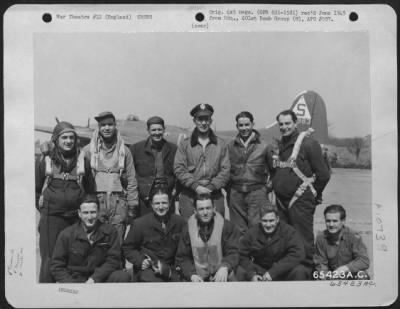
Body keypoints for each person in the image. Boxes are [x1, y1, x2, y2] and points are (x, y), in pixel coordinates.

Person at [35, 121, 94, 283]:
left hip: (76, 219)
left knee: (75, 258)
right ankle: (46, 298)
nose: (68, 141)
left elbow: (90, 191)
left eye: (71, 138)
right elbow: (36, 189)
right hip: (52, 218)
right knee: (50, 260)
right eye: (64, 138)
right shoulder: (45, 161)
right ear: (55, 140)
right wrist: (47, 209)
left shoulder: (83, 161)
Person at [272, 109, 330, 267]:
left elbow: (324, 174)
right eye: (281, 124)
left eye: (288, 123)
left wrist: (312, 193)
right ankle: (290, 272)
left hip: (300, 200)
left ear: (295, 123)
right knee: (285, 239)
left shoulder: (309, 144)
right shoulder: (283, 145)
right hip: (282, 202)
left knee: (303, 240)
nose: (284, 127)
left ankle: (306, 273)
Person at [82, 111, 139, 244]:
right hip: (96, 201)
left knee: (117, 243)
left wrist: (132, 206)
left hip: (118, 201)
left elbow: (131, 179)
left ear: (115, 126)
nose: (106, 128)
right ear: (99, 127)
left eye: (110, 124)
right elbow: (81, 180)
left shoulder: (124, 151)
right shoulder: (88, 151)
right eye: (103, 125)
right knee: (96, 243)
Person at [51, 194, 130, 283]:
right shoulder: (66, 235)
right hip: (75, 279)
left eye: (93, 212)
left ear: (99, 212)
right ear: (79, 213)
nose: (89, 217)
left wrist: (94, 279)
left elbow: (113, 260)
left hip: (100, 278)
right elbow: (57, 267)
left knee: (122, 277)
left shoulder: (110, 232)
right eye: (85, 213)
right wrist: (73, 285)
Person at [174, 103, 230, 219]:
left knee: (217, 227)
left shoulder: (221, 144)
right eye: (200, 119)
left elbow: (225, 170)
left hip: (214, 192)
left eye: (206, 119)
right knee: (189, 229)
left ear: (211, 120)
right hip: (190, 192)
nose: (203, 123)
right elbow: (179, 169)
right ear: (194, 121)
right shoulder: (185, 144)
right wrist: (196, 186)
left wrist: (211, 187)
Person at [122, 187, 186, 282]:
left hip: (172, 267)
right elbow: (128, 248)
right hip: (150, 269)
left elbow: (185, 249)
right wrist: (140, 261)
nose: (160, 207)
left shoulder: (179, 222)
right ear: (151, 204)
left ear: (170, 202)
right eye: (157, 203)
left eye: (164, 203)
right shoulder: (140, 224)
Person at [227, 111, 274, 234]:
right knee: (237, 230)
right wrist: (230, 190)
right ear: (237, 126)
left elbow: (276, 172)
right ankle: (241, 253)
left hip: (257, 193)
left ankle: (257, 253)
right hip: (236, 194)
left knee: (257, 228)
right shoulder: (230, 146)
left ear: (253, 124)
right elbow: (225, 170)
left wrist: (265, 189)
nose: (244, 128)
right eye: (241, 125)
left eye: (247, 125)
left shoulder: (264, 146)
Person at [175, 194, 240, 282]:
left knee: (239, 273)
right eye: (201, 209)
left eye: (208, 208)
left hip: (221, 273)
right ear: (195, 211)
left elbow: (233, 252)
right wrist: (191, 274)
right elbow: (182, 258)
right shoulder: (187, 229)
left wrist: (225, 267)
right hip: (197, 276)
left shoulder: (228, 227)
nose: (205, 213)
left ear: (214, 209)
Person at [237, 205, 310, 281]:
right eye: (265, 221)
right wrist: (252, 274)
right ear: (260, 220)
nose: (268, 225)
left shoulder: (289, 232)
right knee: (239, 271)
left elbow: (298, 254)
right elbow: (241, 255)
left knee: (300, 271)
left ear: (277, 219)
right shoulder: (252, 233)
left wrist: (273, 272)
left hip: (282, 270)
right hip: (260, 271)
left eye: (271, 220)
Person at [130, 116, 177, 217]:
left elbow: (180, 171)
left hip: (167, 194)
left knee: (167, 227)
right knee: (146, 226)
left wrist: (175, 190)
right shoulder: (136, 149)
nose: (157, 133)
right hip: (145, 197)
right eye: (153, 130)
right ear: (148, 131)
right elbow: (128, 174)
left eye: (159, 129)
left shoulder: (173, 149)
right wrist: (139, 191)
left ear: (164, 130)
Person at [313, 204, 370, 280]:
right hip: (331, 276)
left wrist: (344, 268)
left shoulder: (353, 237)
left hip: (350, 274)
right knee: (316, 276)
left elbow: (364, 261)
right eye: (328, 221)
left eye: (335, 221)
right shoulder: (321, 238)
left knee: (362, 275)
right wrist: (327, 279)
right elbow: (321, 263)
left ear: (343, 221)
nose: (331, 224)